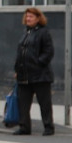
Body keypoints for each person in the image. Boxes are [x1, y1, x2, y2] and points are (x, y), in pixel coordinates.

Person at [13, 7, 55, 136]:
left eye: (31, 16)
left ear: (38, 18)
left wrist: (38, 63)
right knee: (23, 103)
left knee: (44, 103)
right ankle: (24, 127)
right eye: (27, 16)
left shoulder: (43, 32)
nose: (28, 19)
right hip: (24, 75)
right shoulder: (26, 32)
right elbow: (20, 53)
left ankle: (48, 127)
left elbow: (49, 51)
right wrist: (17, 69)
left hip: (40, 75)